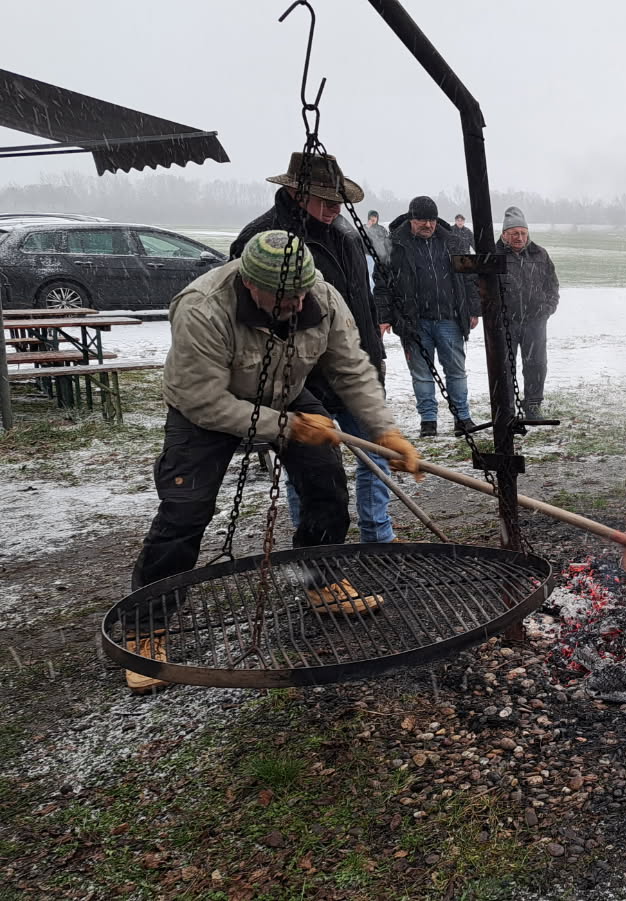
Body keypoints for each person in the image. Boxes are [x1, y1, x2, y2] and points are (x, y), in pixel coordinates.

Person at [127, 231, 422, 694]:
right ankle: (145, 628)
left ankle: (320, 580)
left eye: (301, 293)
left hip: (285, 392)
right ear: (250, 284)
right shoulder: (203, 307)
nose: (296, 303)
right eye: (285, 297)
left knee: (325, 484)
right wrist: (288, 428)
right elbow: (203, 399)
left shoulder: (321, 297)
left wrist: (385, 430)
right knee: (185, 511)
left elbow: (351, 369)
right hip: (205, 406)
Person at [229, 153, 398, 545]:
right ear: (296, 191)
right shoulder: (261, 240)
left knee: (377, 453)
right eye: (326, 199)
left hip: (355, 367)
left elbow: (361, 300)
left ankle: (378, 536)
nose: (336, 207)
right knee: (312, 469)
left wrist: (374, 355)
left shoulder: (345, 235)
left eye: (339, 200)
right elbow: (249, 319)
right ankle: (316, 547)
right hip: (300, 376)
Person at [377, 195, 480, 438]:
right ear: (411, 219)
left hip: (449, 318)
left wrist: (473, 308)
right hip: (413, 321)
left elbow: (469, 277)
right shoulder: (394, 244)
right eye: (422, 220)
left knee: (456, 371)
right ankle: (428, 420)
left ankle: (462, 417)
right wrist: (384, 315)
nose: (428, 225)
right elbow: (382, 284)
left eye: (432, 220)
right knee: (422, 374)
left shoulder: (452, 241)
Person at [498, 205, 560, 420]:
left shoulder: (540, 254)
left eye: (523, 233)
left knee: (536, 364)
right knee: (504, 366)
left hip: (535, 320)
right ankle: (506, 408)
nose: (519, 237)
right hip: (505, 322)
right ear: (504, 234)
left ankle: (533, 405)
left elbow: (552, 285)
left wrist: (548, 308)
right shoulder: (495, 256)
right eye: (514, 233)